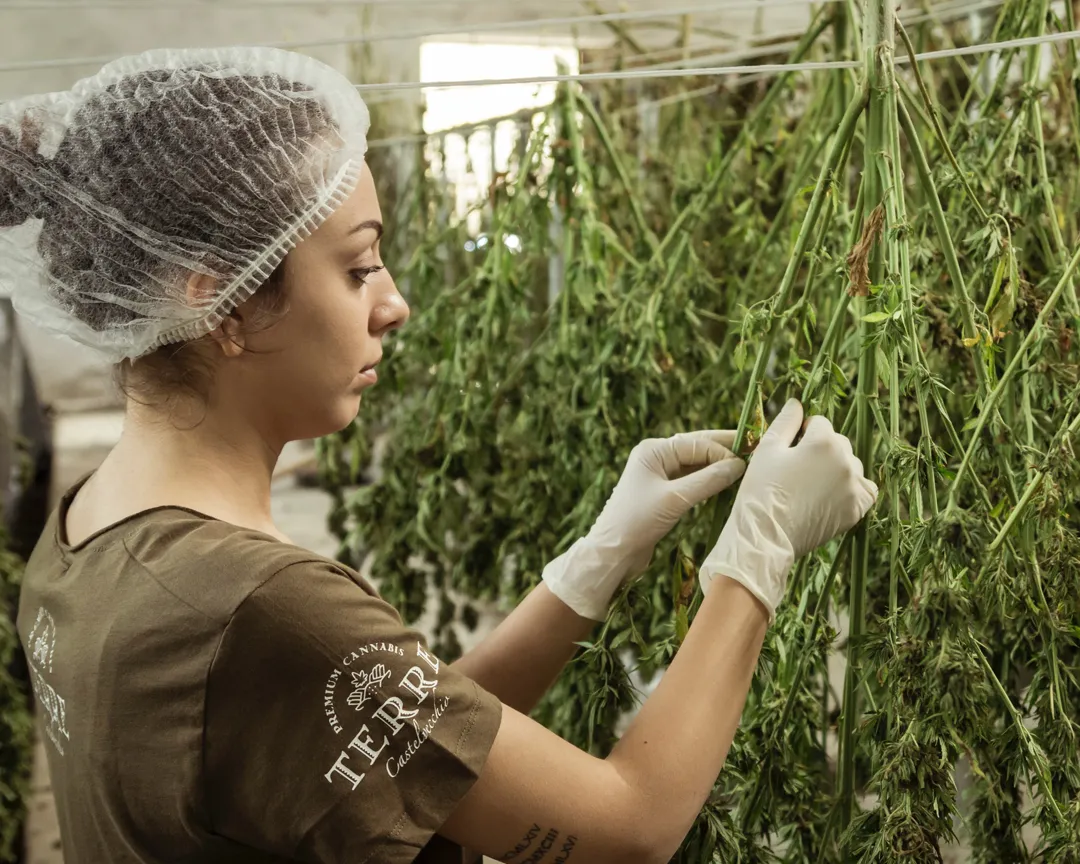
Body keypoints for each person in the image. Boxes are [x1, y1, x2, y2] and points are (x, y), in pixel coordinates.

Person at [0, 47, 877, 864]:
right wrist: (758, 553)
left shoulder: (85, 526)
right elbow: (632, 823)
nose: (395, 304)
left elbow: (393, 741)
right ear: (220, 302)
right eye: (358, 268)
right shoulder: (259, 609)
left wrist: (592, 565)